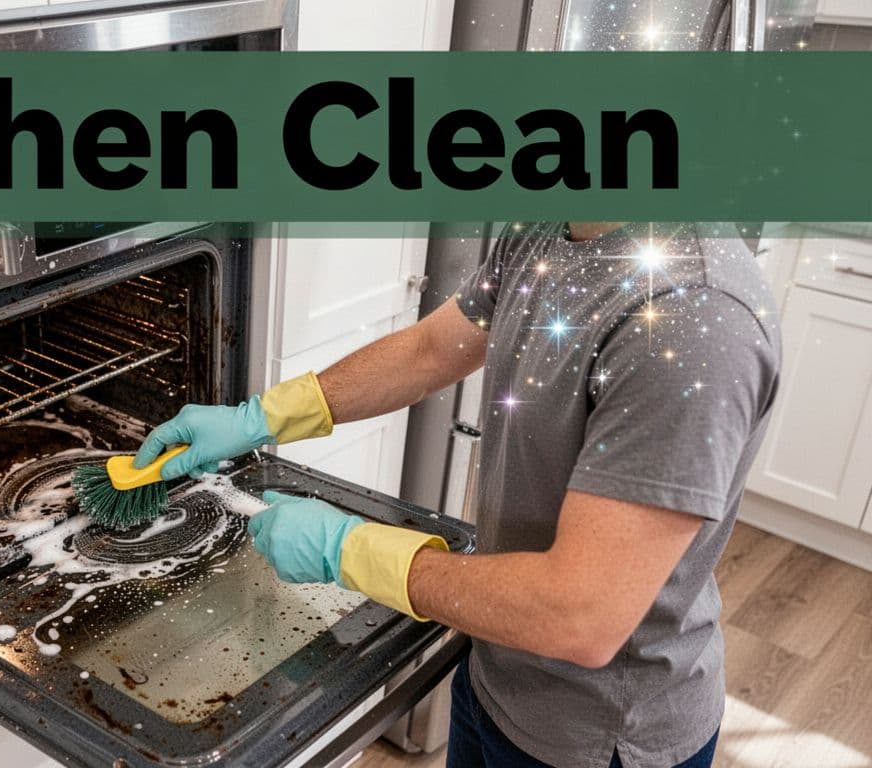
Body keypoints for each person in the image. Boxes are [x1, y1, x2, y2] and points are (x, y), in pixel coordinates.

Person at [132, 221, 781, 768]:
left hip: (596, 736)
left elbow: (579, 617)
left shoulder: (695, 321)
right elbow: (428, 350)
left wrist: (349, 549)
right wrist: (261, 416)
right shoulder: (546, 229)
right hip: (492, 667)